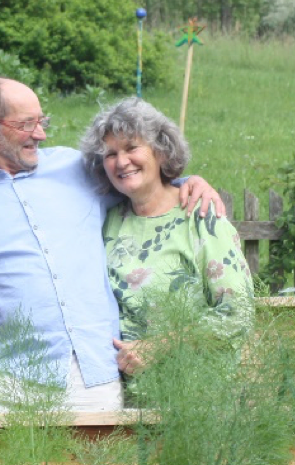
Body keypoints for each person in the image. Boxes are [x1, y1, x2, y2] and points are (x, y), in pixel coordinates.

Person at [0, 76, 222, 412]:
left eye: (42, 121)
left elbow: (138, 180)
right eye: (27, 124)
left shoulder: (75, 167)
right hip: (3, 378)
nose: (41, 134)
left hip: (89, 371)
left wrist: (188, 181)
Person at [80, 98, 254, 376]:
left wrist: (160, 346)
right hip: (119, 393)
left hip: (194, 392)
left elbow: (237, 314)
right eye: (110, 154)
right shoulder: (107, 221)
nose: (122, 161)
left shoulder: (202, 217)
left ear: (161, 151)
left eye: (131, 147)